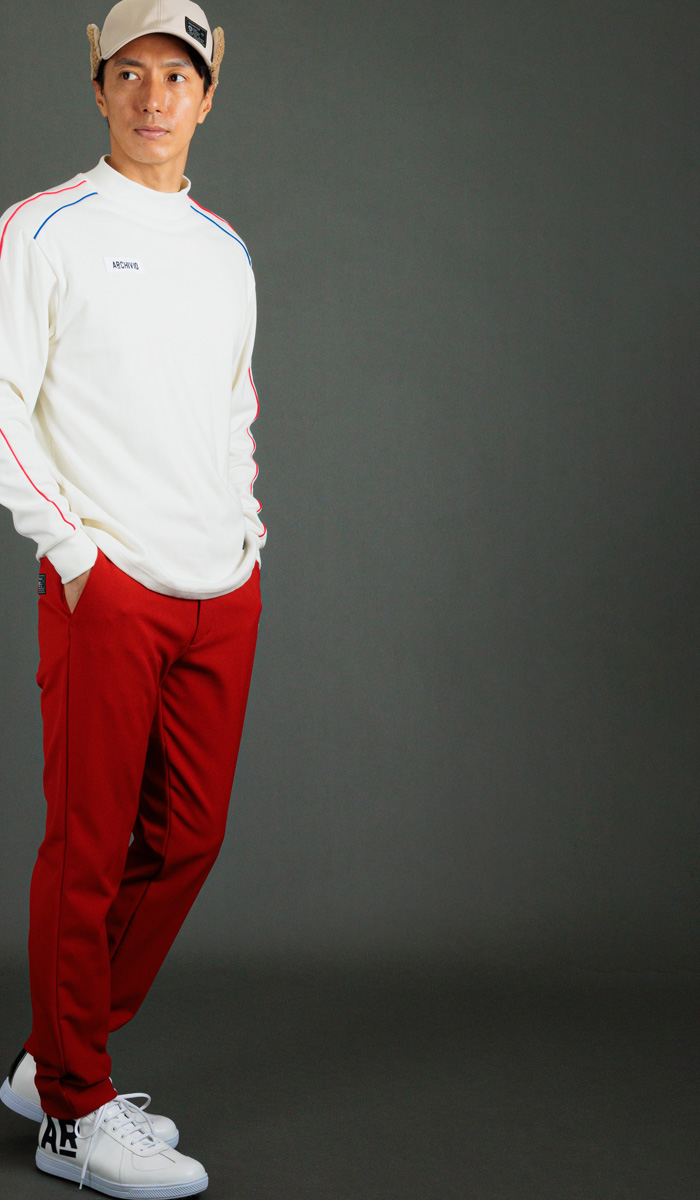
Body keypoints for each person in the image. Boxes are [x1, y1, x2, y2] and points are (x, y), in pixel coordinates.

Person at [0, 0, 266, 1193]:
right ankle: (72, 1115)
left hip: (220, 587)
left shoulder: (223, 247)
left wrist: (248, 536)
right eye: (130, 72)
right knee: (89, 850)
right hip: (108, 587)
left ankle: (58, 1056)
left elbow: (231, 406)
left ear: (207, 96)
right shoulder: (44, 228)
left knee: (188, 838)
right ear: (100, 88)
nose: (154, 96)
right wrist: (73, 556)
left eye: (178, 75)